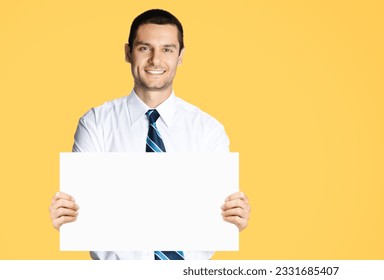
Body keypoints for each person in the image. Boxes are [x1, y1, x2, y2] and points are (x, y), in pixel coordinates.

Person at [48, 9, 251, 260]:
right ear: (127, 52)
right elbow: (83, 212)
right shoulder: (96, 124)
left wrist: (233, 219)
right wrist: (68, 218)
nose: (156, 60)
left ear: (180, 56)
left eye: (167, 49)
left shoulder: (209, 131)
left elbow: (218, 215)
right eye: (145, 48)